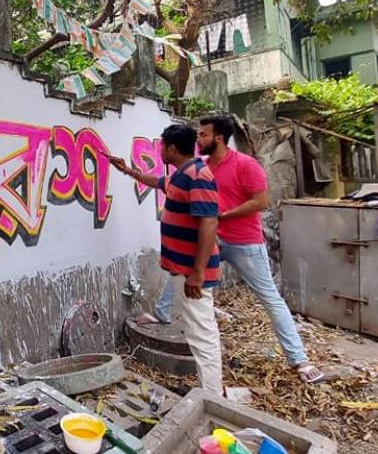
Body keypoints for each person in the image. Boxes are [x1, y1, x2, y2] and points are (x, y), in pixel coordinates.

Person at [140, 116, 325, 384]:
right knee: (181, 273)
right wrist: (130, 172)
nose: (199, 139)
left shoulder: (245, 164)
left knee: (269, 297)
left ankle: (299, 359)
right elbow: (164, 183)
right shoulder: (200, 166)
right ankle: (162, 313)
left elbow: (261, 201)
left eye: (203, 134)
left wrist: (224, 216)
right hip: (212, 239)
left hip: (243, 241)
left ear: (218, 138)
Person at [109, 124, 224, 394]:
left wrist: (197, 272)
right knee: (196, 329)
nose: (160, 149)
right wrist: (127, 170)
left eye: (162, 145)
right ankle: (211, 390)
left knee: (202, 334)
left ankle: (214, 396)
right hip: (184, 269)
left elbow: (209, 222)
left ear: (172, 149)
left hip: (193, 272)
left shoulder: (198, 175)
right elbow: (157, 182)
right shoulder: (182, 174)